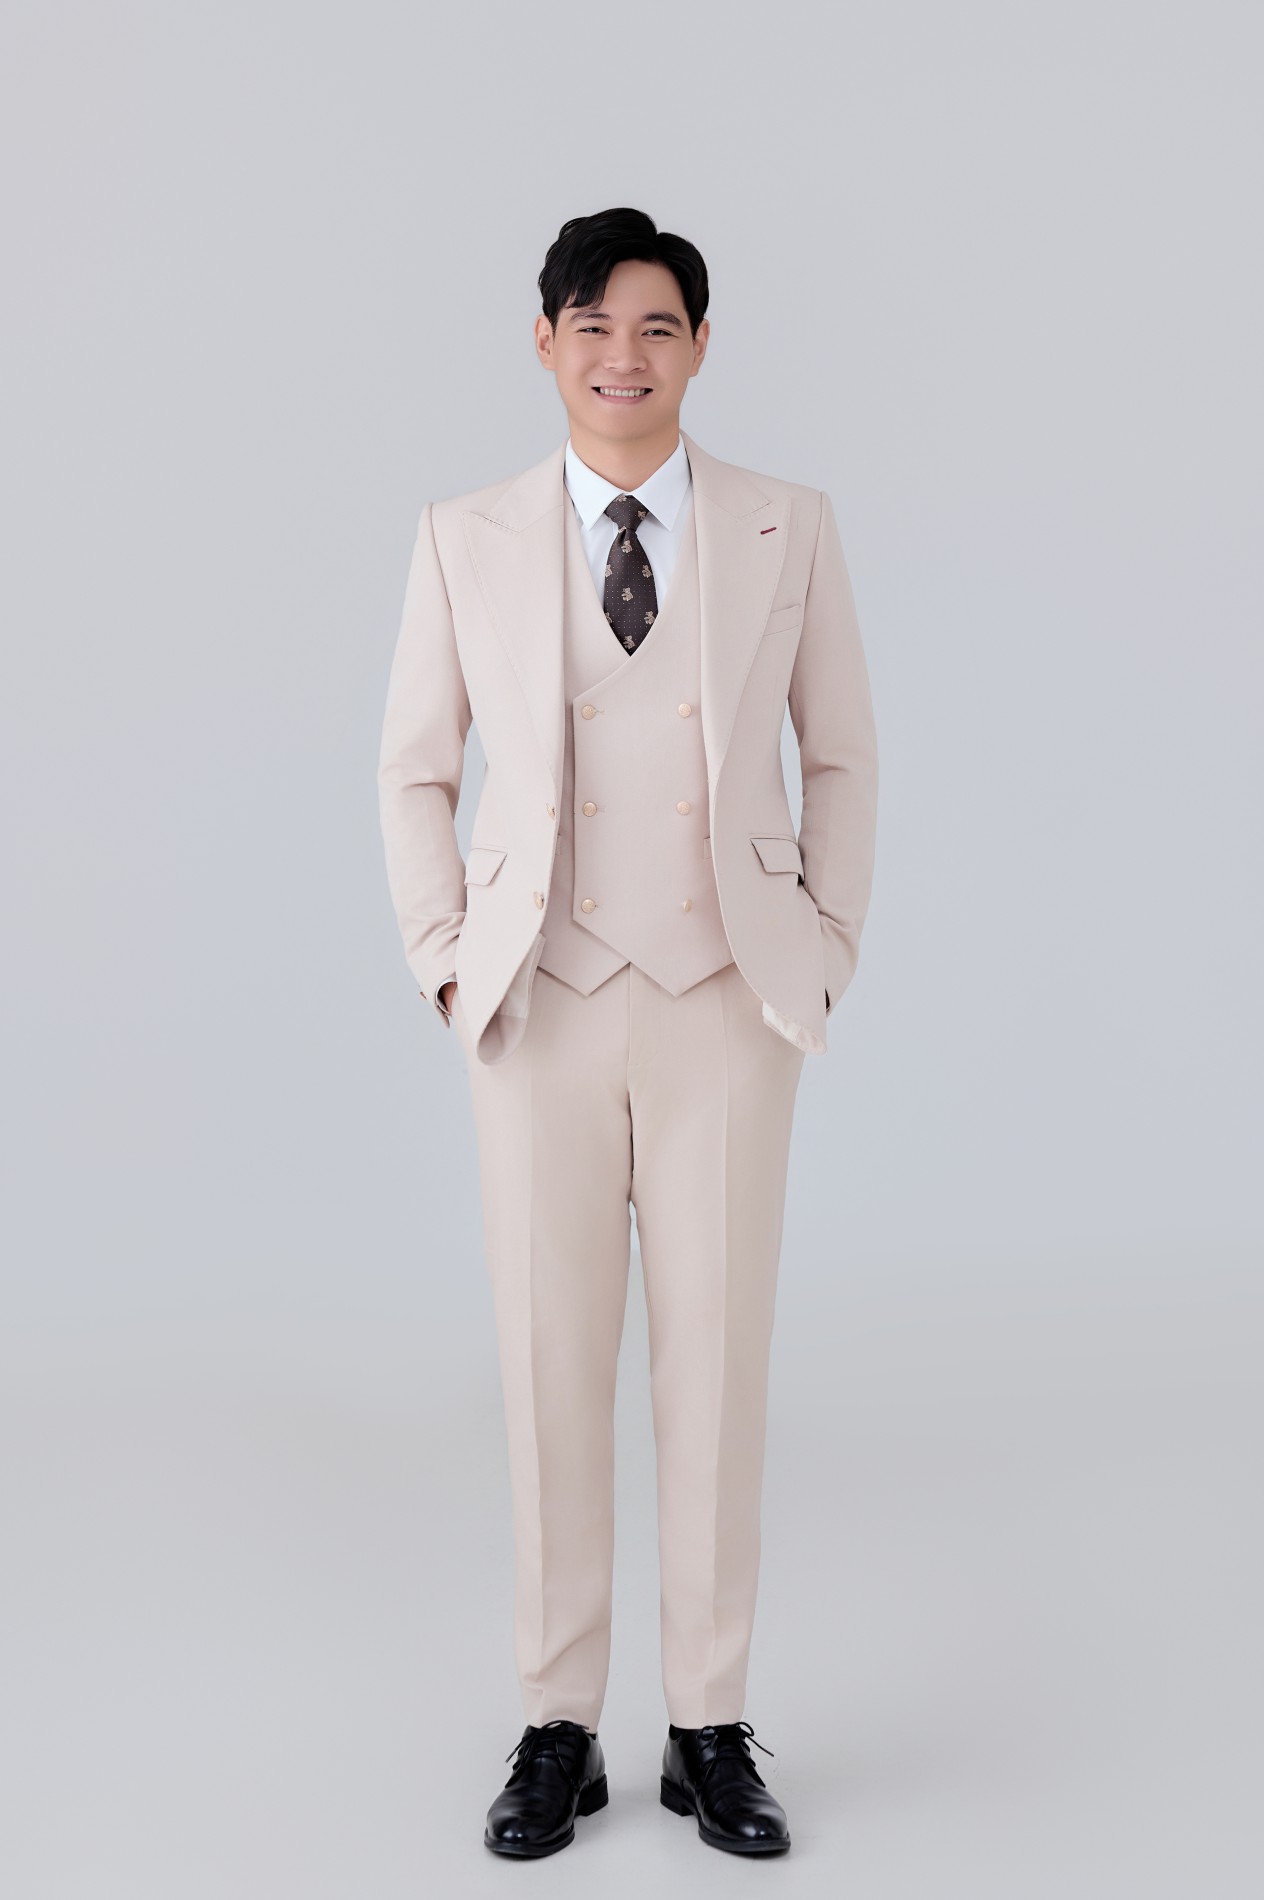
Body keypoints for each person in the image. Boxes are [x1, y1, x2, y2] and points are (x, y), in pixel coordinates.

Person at [377, 206, 879, 1859]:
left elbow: (842, 756)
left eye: (657, 326)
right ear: (545, 343)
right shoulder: (464, 535)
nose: (623, 355)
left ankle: (710, 1726)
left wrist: (820, 949)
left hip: (728, 1000)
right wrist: (450, 963)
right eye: (592, 324)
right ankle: (559, 1723)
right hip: (540, 1004)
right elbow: (414, 769)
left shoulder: (786, 524)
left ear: (701, 347)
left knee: (718, 1368)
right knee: (548, 1369)